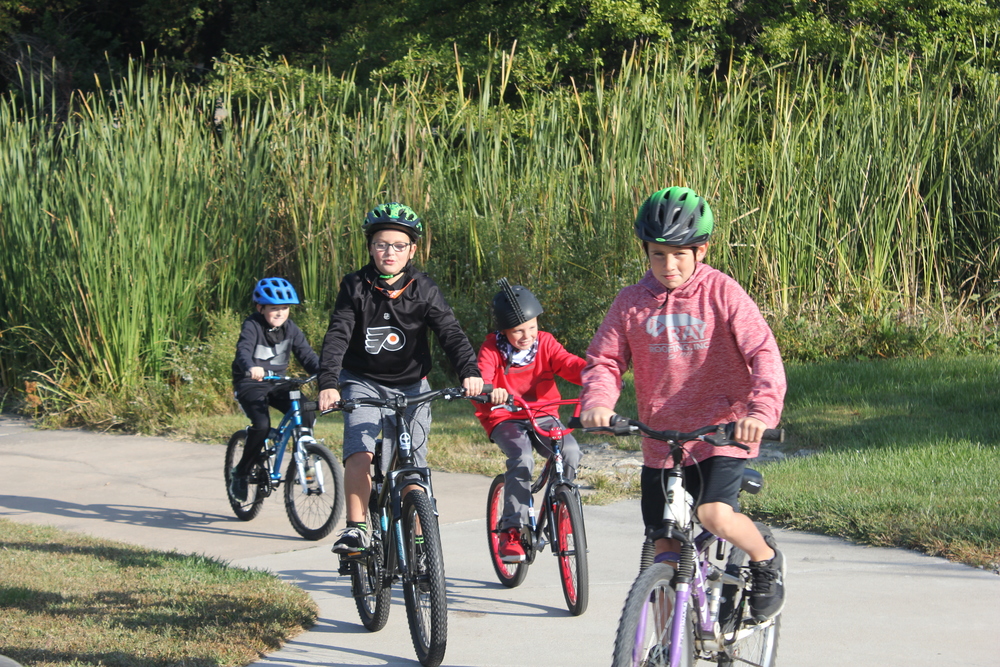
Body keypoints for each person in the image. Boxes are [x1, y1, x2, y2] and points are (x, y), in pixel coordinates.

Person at [578, 186, 787, 621]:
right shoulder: (630, 303)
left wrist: (759, 412)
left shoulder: (721, 292)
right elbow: (605, 360)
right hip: (662, 441)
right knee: (663, 548)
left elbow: (763, 353)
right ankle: (663, 649)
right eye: (658, 255)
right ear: (645, 252)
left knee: (714, 514)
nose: (668, 266)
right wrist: (599, 402)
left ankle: (765, 560)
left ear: (700, 250)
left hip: (721, 433)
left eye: (679, 255)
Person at [318, 202, 484, 555]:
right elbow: (337, 335)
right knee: (359, 451)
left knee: (412, 465)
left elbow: (450, 332)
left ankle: (423, 541)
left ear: (412, 249)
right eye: (381, 244)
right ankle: (357, 528)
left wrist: (469, 372)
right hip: (362, 381)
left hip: (411, 386)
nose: (389, 252)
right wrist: (329, 383)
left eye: (398, 245)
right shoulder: (355, 286)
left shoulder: (423, 288)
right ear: (370, 247)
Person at [475, 279, 585, 562]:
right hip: (505, 416)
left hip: (544, 414)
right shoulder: (491, 349)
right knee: (522, 458)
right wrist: (489, 390)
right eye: (518, 331)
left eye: (532, 327)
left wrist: (595, 374)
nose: (527, 336)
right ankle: (511, 530)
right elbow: (482, 379)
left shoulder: (545, 343)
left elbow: (568, 363)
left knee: (570, 450)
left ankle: (562, 509)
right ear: (503, 331)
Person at [230, 277, 321, 502]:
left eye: (285, 308)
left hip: (279, 382)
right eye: (274, 309)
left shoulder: (291, 329)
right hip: (251, 383)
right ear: (260, 308)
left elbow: (307, 356)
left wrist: (327, 373)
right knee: (261, 426)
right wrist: (251, 367)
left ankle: (304, 464)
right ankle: (241, 473)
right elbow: (243, 350)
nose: (280, 313)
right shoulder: (252, 325)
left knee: (307, 412)